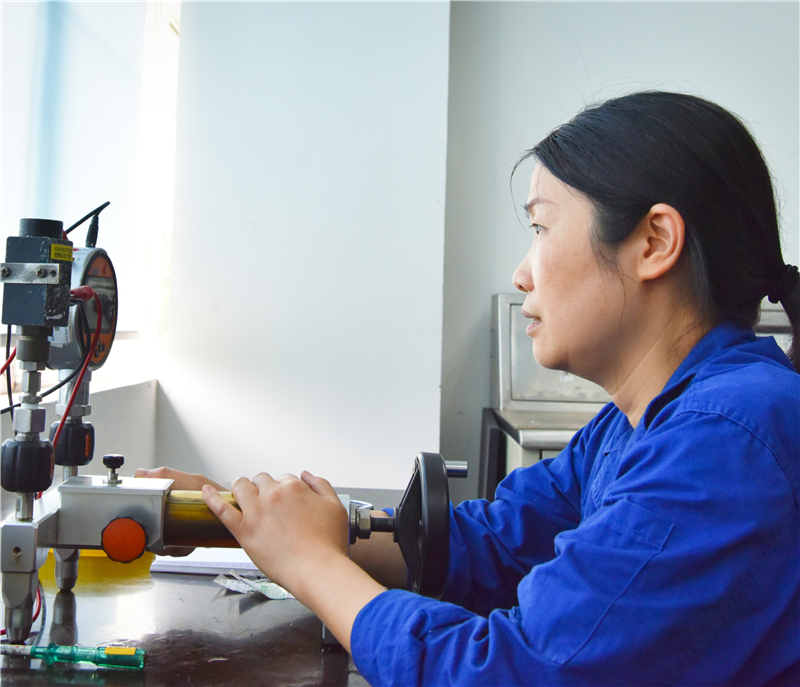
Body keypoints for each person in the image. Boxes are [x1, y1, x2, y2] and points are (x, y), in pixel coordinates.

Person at [138, 91, 800, 685]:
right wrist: (242, 518)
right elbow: (493, 546)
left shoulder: (727, 436)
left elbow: (512, 672)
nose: (521, 273)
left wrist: (310, 562)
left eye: (541, 228)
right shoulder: (636, 425)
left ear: (654, 241)